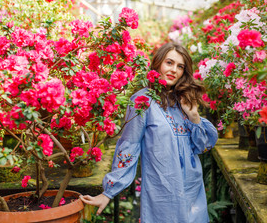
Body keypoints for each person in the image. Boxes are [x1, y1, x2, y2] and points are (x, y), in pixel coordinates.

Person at [80, 42, 218, 223]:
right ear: (158, 63)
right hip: (162, 194)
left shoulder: (184, 100)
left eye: (180, 66)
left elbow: (203, 146)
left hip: (193, 192)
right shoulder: (142, 100)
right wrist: (108, 192)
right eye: (169, 63)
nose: (174, 70)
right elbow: (129, 145)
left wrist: (194, 116)